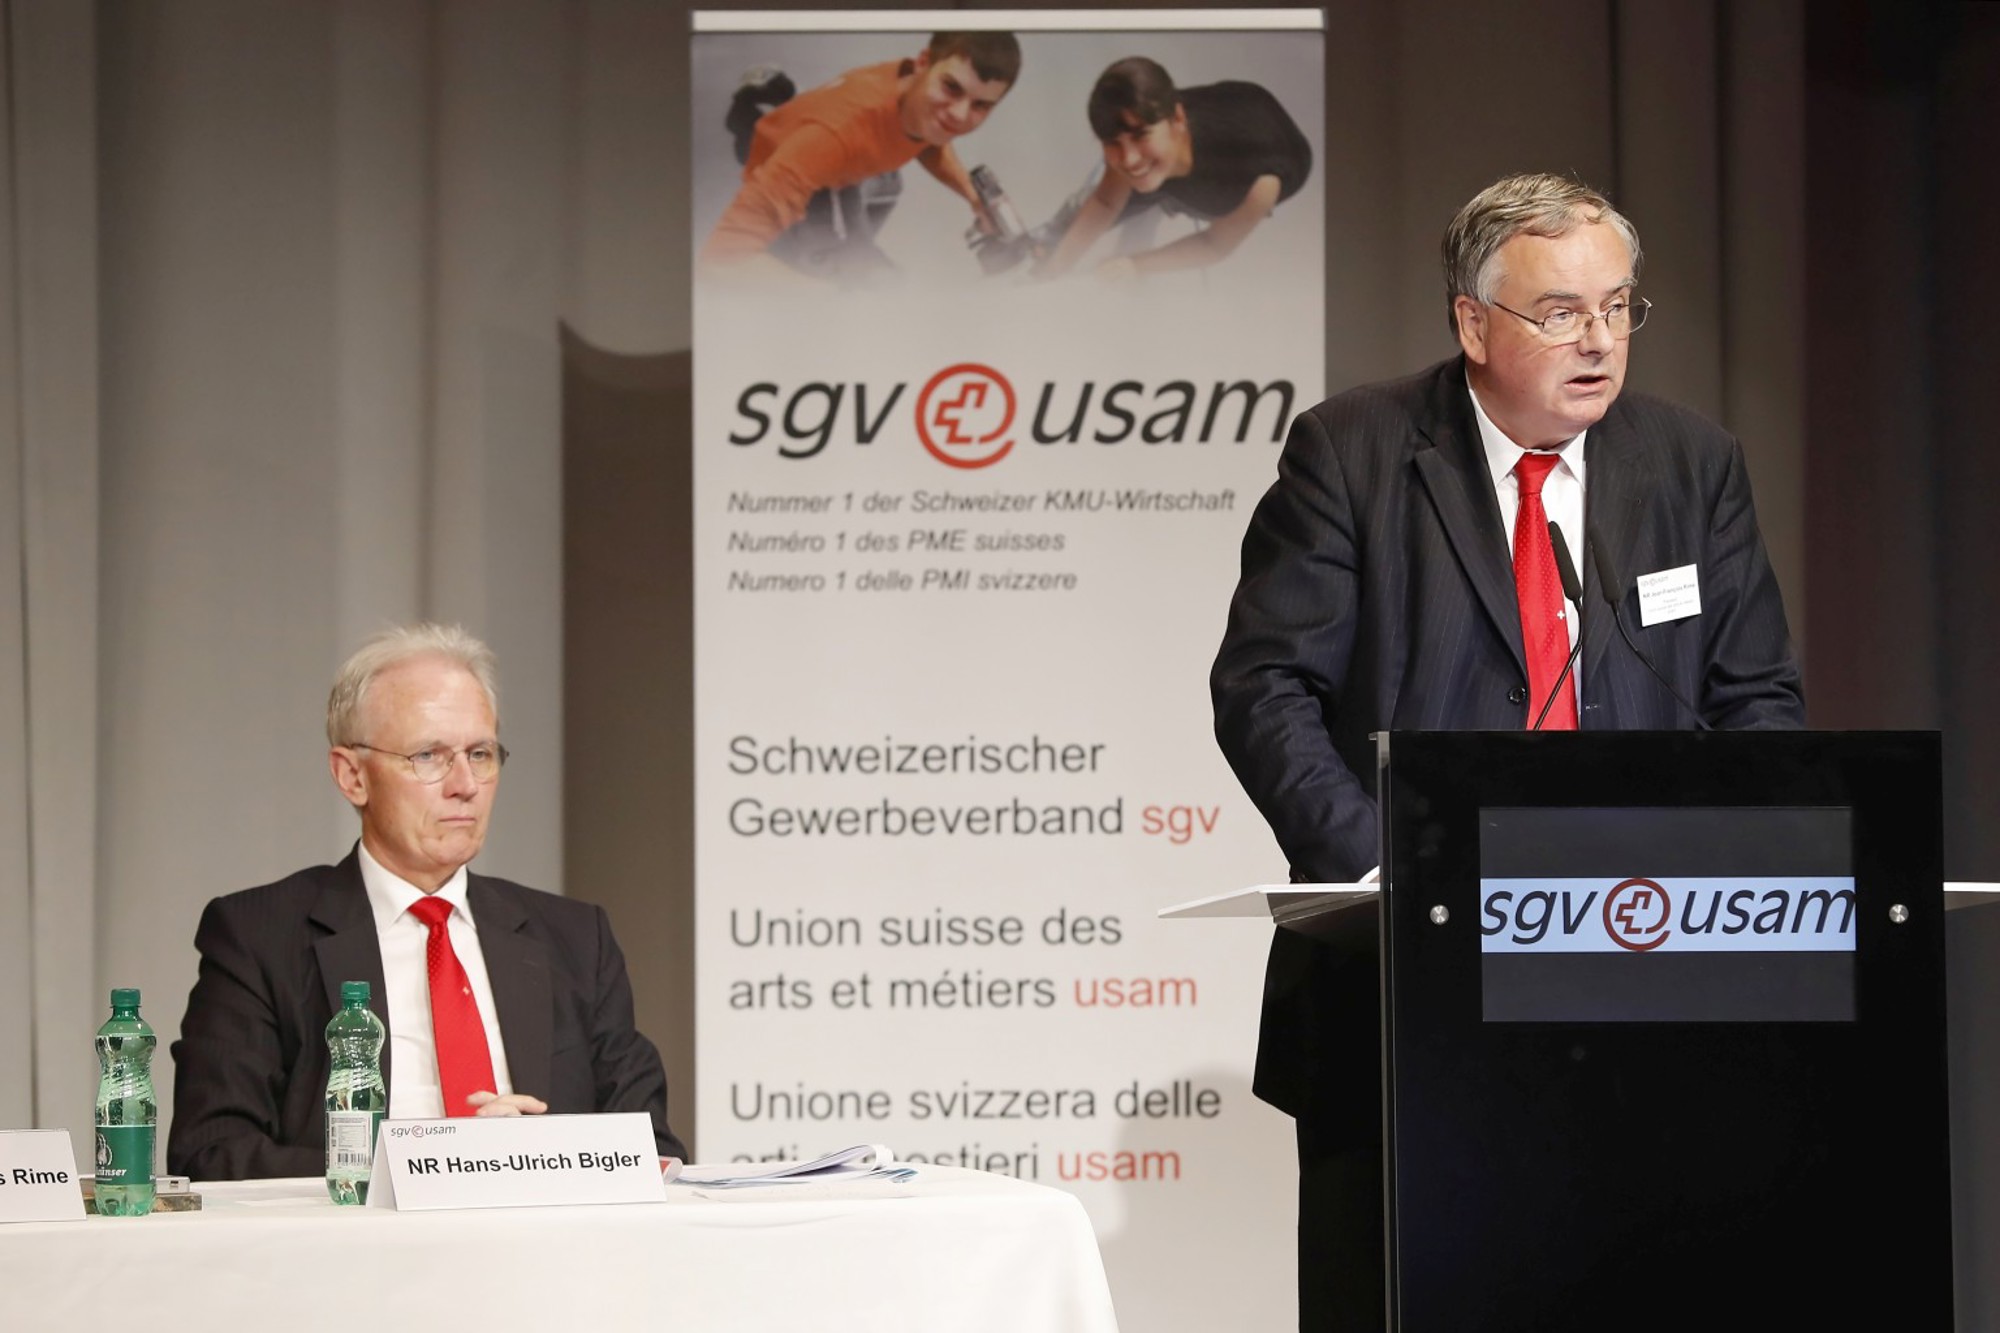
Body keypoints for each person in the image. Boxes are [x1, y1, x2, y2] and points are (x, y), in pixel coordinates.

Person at [1209, 173, 1804, 1330]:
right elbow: (1264, 686)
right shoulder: (1354, 451)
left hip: (1640, 972)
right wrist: (1387, 876)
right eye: (1560, 312)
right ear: (1472, 322)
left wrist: (1723, 876)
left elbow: (1755, 701)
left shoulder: (1689, 464)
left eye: (1617, 307)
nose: (1598, 341)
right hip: (1400, 990)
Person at [168, 624, 685, 1181]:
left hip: (542, 1234)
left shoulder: (577, 939)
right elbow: (212, 1153)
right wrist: (429, 1166)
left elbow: (651, 1150)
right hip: (360, 1235)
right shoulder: (260, 936)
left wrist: (531, 1158)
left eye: (480, 754)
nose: (466, 784)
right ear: (352, 776)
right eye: (429, 756)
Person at [699, 31, 1022, 283]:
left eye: (981, 105)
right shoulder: (832, 139)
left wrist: (973, 197)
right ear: (923, 63)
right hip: (806, 160)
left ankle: (783, 95)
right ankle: (754, 106)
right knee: (856, 276)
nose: (959, 115)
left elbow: (930, 138)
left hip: (844, 149)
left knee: (888, 184)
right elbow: (718, 261)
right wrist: (837, 301)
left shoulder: (916, 91)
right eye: (951, 87)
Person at [1034, 57, 1312, 283]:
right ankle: (1038, 249)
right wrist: (1055, 268)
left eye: (1141, 136)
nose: (1129, 159)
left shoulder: (1259, 181)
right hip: (1198, 127)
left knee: (1142, 210)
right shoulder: (1133, 130)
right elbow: (1106, 202)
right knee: (1093, 201)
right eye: (1112, 142)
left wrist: (1136, 265)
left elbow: (1214, 245)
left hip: (1251, 164)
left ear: (1177, 120)